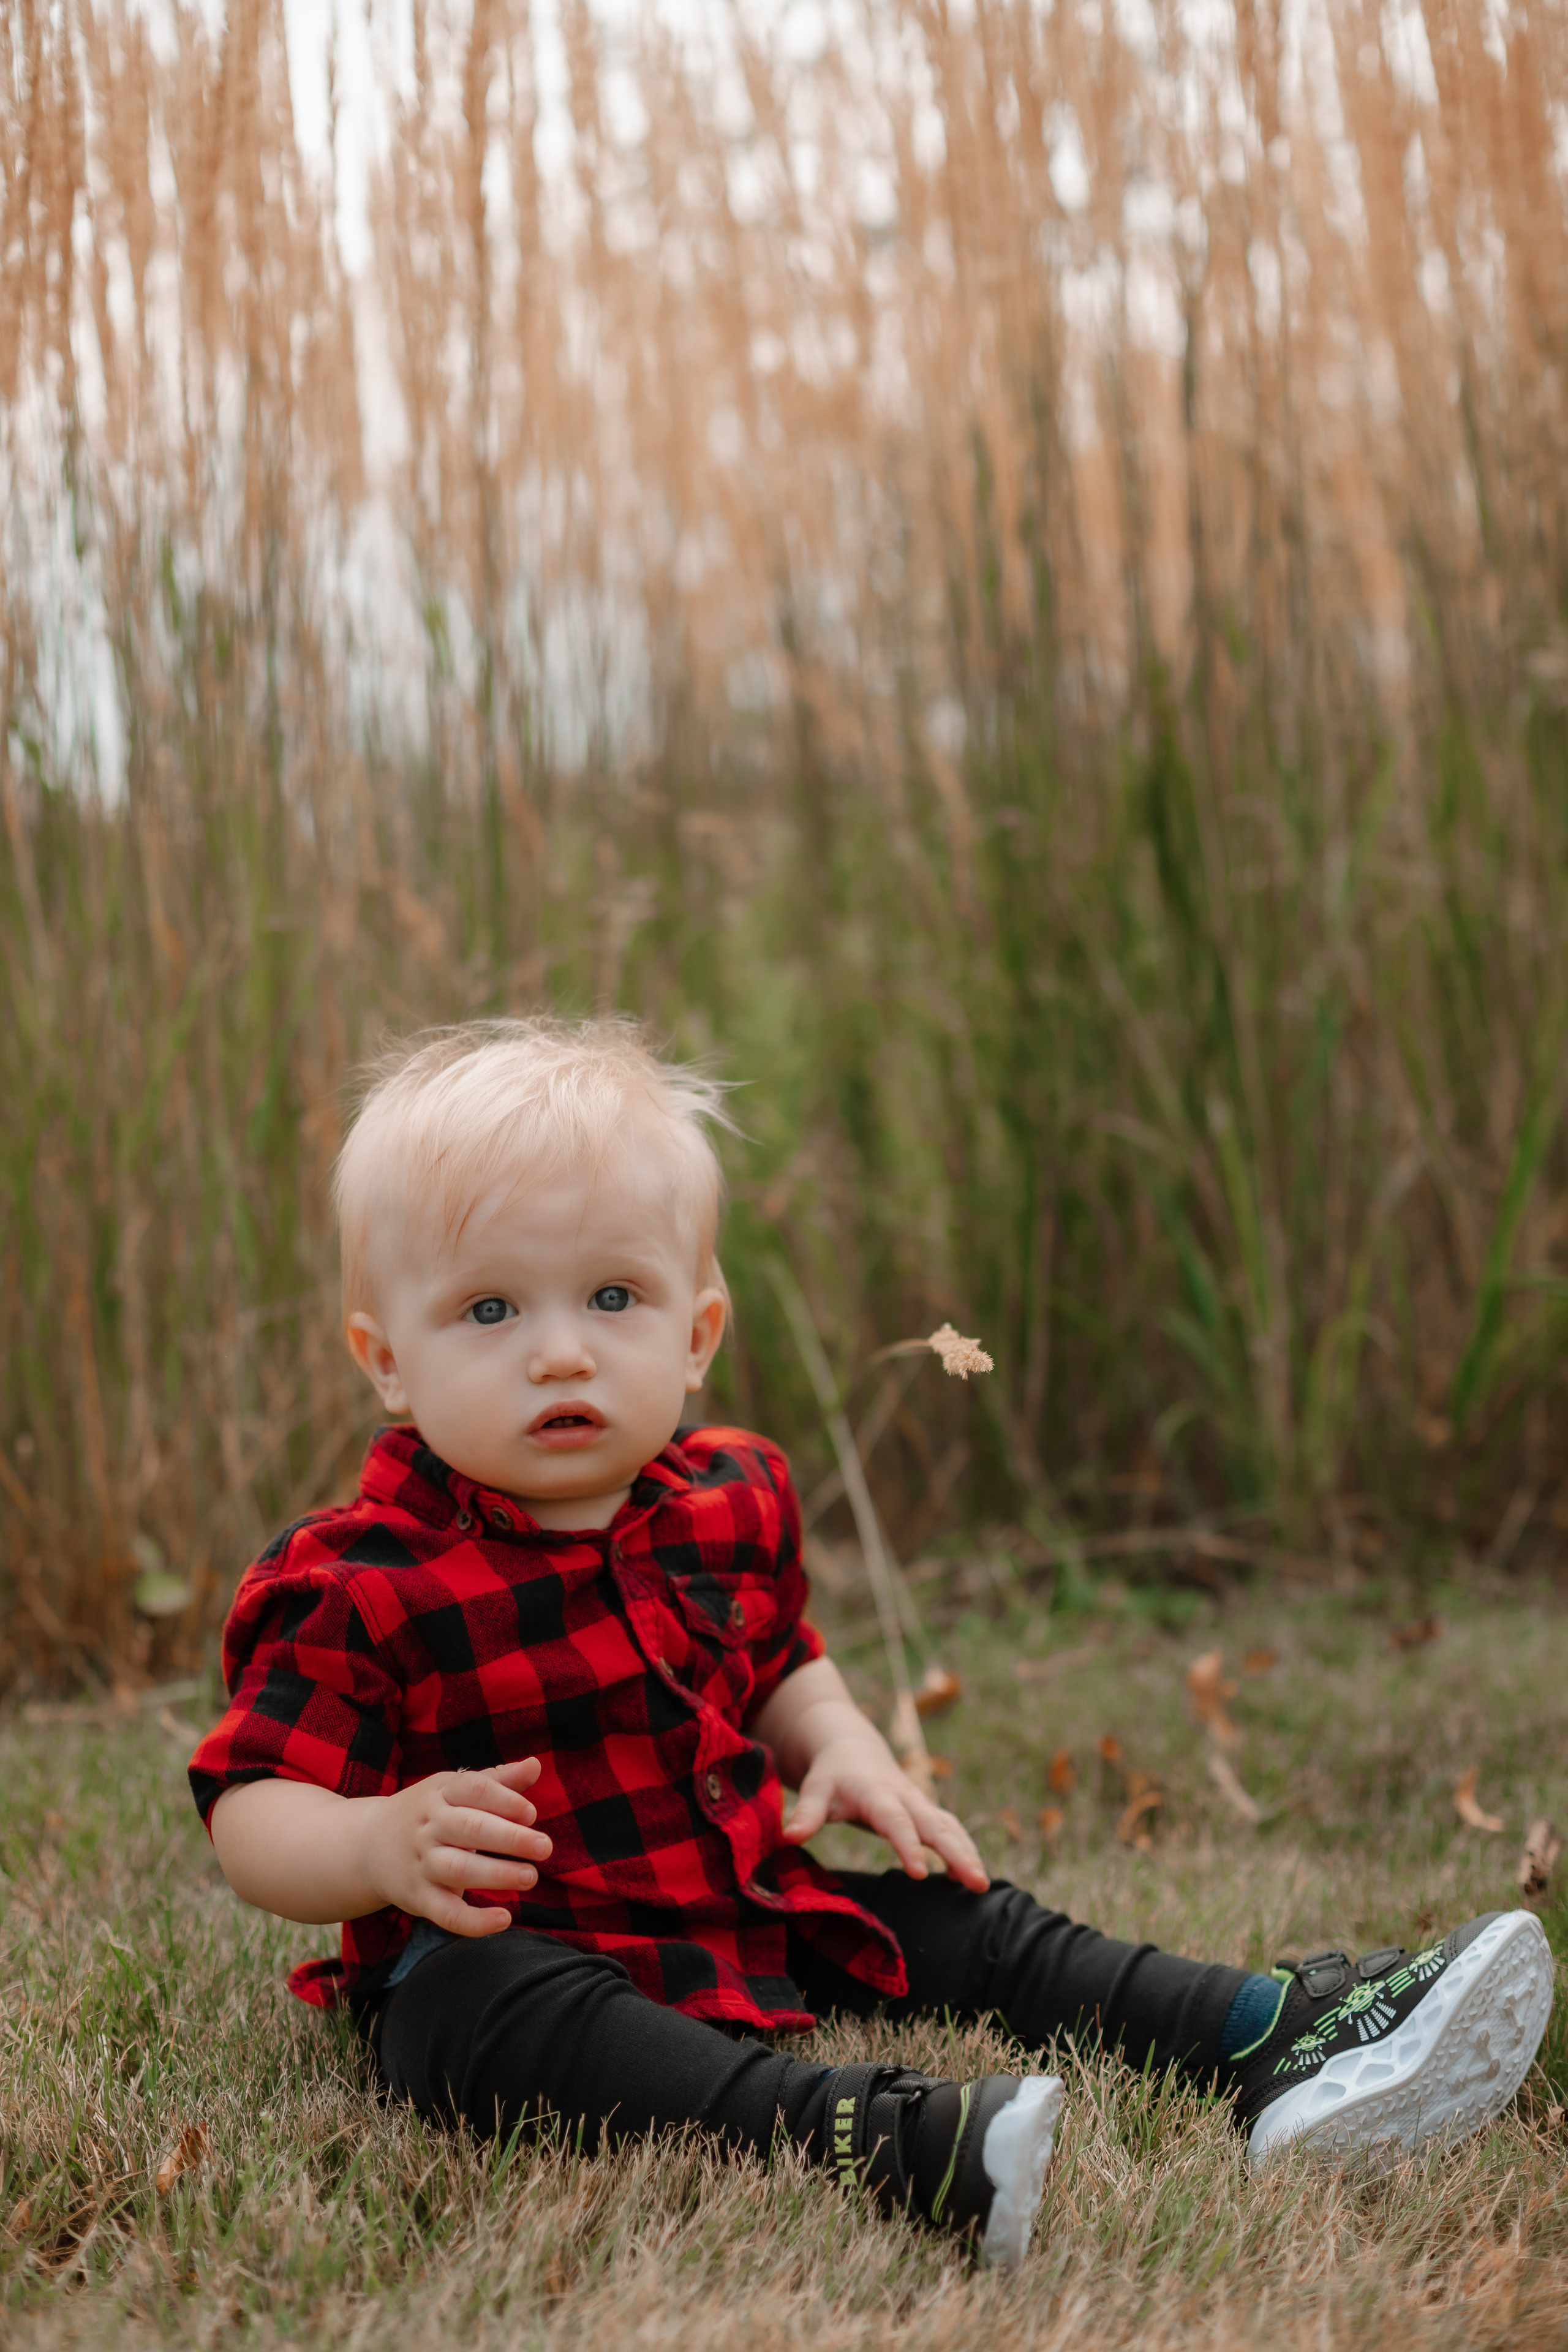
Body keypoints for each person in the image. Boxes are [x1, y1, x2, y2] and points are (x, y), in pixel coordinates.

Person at [189, 1019, 1555, 2269]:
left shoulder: (730, 1497)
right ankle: (876, 2137)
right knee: (470, 2015)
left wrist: (838, 1743)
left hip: (742, 1905)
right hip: (514, 1942)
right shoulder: (355, 1580)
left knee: (969, 1919)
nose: (560, 1353)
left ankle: (1265, 2031)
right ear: (386, 1358)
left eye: (612, 1298)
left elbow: (779, 1659)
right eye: (491, 1312)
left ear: (696, 1332)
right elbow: (253, 1808)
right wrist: (375, 1845)